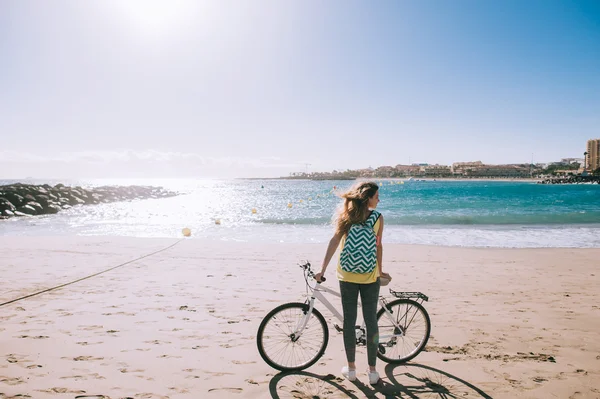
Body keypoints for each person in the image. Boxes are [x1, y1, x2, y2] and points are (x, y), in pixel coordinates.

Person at [314, 181, 391, 385]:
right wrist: (380, 270)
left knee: (349, 321)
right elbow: (378, 246)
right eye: (377, 196)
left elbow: (334, 241)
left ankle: (351, 369)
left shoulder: (346, 217)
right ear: (368, 198)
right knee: (371, 321)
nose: (379, 199)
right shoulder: (378, 217)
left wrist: (322, 270)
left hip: (347, 276)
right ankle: (373, 372)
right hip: (369, 276)